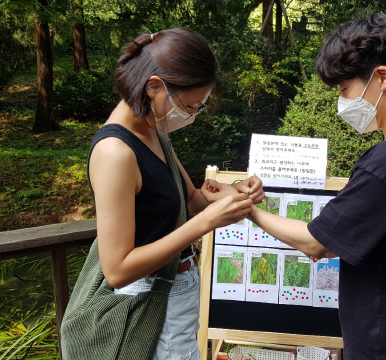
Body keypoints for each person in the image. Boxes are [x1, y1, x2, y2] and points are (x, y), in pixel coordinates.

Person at [248, 14, 386, 359]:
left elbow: (316, 243)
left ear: (382, 77)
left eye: (344, 89)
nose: (341, 101)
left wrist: (250, 211)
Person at [80, 28, 264, 359]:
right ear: (154, 87)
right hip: (149, 301)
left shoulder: (153, 132)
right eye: (190, 106)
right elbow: (117, 270)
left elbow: (191, 200)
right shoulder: (115, 153)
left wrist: (232, 193)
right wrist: (205, 223)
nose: (192, 116)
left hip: (175, 289)